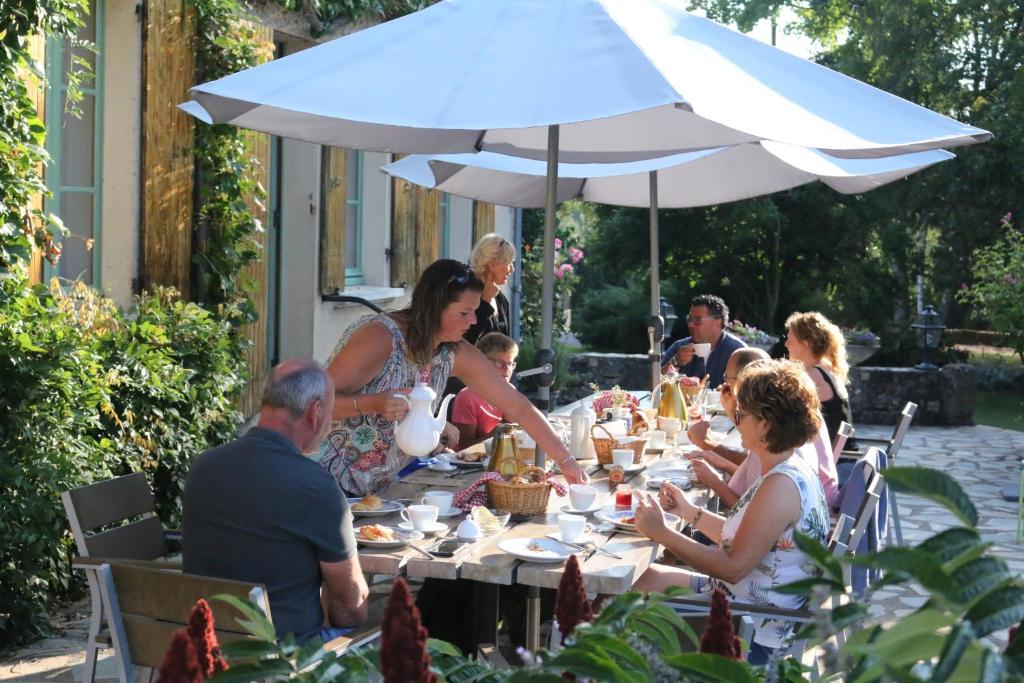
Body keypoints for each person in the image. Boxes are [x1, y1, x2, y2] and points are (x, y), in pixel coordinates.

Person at [320, 259, 587, 497]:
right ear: (434, 307)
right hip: (328, 482)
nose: (473, 321)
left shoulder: (452, 351)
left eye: (474, 310)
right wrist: (373, 403)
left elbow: (516, 405)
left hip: (380, 490)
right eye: (464, 312)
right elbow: (318, 405)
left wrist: (566, 461)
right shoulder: (380, 337)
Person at [632, 359, 831, 664]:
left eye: (741, 414)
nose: (736, 421)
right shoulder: (787, 468)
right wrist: (689, 512)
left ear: (765, 424)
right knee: (637, 579)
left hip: (750, 630)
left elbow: (733, 566)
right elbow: (746, 538)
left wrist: (662, 533)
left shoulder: (780, 485)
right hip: (741, 601)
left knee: (620, 614)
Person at [183, 360, 369, 643]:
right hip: (282, 657)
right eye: (331, 412)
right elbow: (350, 607)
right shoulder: (315, 487)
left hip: (206, 645)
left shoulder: (203, 468)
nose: (331, 423)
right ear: (314, 412)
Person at [688, 348, 839, 508]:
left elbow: (744, 515)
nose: (737, 423)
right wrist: (722, 464)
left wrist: (713, 480)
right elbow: (756, 484)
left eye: (741, 414)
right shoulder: (793, 421)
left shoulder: (778, 478)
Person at [784, 311, 858, 450]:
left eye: (790, 339)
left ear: (805, 344)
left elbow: (783, 411)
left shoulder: (811, 375)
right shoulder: (828, 369)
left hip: (835, 462)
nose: (786, 344)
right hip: (842, 456)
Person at [661, 294, 746, 388]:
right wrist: (675, 362)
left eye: (697, 320)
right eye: (689, 319)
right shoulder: (679, 347)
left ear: (717, 322)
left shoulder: (739, 352)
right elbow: (654, 385)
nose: (690, 325)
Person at [452, 332, 518, 447]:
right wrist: (499, 432)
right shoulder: (467, 397)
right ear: (482, 363)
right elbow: (465, 447)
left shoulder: (510, 391)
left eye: (510, 363)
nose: (507, 369)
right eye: (500, 363)